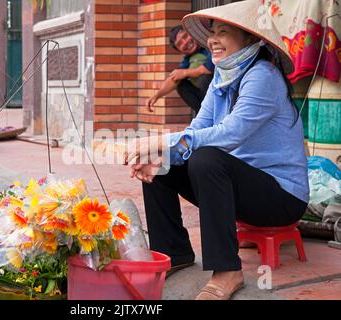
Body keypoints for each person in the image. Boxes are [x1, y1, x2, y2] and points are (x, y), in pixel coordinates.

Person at [124, 0, 309, 300]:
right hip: (241, 189)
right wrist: (161, 152)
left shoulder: (262, 76)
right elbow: (197, 130)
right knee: (162, 161)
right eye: (212, 32)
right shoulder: (221, 78)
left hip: (282, 197)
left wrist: (162, 141)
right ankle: (173, 252)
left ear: (250, 39)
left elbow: (231, 133)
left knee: (206, 158)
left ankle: (227, 270)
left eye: (223, 32)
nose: (212, 39)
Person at [146, 25, 214, 115]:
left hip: (224, 91)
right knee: (181, 84)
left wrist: (185, 72)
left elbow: (209, 68)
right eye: (180, 44)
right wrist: (157, 95)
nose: (185, 43)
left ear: (192, 32)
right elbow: (175, 77)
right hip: (207, 99)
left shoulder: (208, 43)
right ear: (180, 51)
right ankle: (203, 116)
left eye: (185, 36)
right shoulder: (188, 58)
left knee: (204, 79)